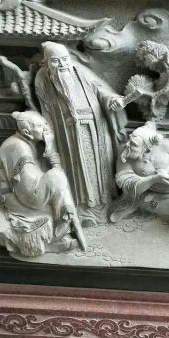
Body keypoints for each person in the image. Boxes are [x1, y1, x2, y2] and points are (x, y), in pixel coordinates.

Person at [34, 41, 127, 224]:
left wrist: (112, 100)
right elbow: (46, 109)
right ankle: (81, 210)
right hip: (66, 132)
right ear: (46, 62)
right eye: (56, 61)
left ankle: (103, 206)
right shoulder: (42, 78)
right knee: (76, 170)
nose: (62, 64)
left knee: (99, 167)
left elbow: (100, 89)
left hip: (95, 127)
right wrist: (50, 135)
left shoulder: (79, 70)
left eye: (65, 59)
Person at [0, 111, 86, 255]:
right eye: (40, 126)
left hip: (30, 190)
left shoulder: (28, 142)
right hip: (21, 196)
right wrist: (52, 158)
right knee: (56, 177)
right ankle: (58, 237)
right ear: (27, 132)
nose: (46, 128)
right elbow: (26, 186)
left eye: (45, 123)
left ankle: (62, 234)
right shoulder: (16, 146)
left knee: (58, 180)